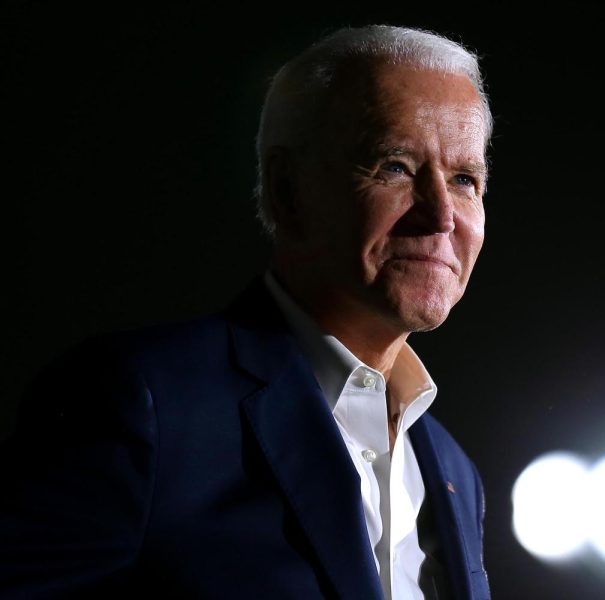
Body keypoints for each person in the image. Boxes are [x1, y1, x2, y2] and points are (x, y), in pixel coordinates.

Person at [0, 25, 491, 599]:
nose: (441, 216)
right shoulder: (142, 405)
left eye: (464, 179)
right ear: (289, 191)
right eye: (394, 167)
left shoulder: (455, 471)